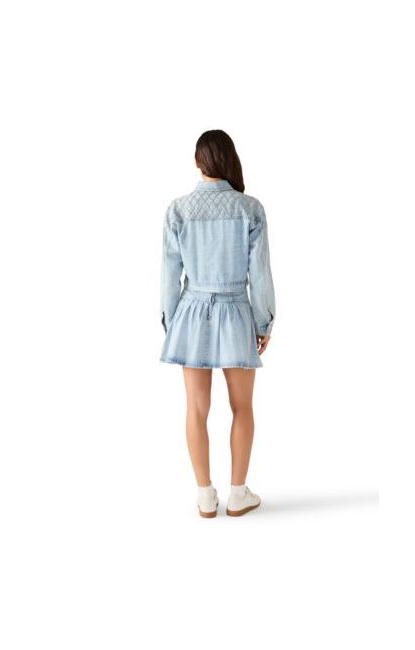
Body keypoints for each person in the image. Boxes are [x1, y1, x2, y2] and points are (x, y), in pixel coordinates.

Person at [159, 129, 276, 518]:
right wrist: (264, 322)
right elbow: (260, 274)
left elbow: (168, 276)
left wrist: (172, 323)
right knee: (242, 406)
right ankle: (238, 494)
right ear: (229, 159)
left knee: (195, 408)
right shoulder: (250, 209)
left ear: (197, 162)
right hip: (236, 313)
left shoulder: (178, 210)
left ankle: (205, 496)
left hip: (191, 314)